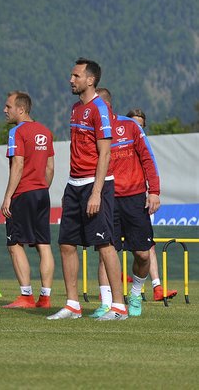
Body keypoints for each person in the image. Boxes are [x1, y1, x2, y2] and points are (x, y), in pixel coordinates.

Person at [48, 58, 126, 320]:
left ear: (90, 80)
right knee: (66, 244)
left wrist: (95, 192)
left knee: (104, 245)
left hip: (96, 186)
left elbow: (105, 154)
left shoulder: (99, 109)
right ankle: (72, 305)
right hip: (74, 184)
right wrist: (73, 185)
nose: (71, 80)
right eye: (71, 75)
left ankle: (118, 307)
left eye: (76, 76)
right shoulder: (73, 108)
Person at [93, 89, 160, 317]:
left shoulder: (130, 127)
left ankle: (135, 292)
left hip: (134, 199)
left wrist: (155, 192)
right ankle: (106, 303)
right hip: (107, 199)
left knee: (142, 254)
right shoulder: (92, 132)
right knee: (106, 252)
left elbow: (148, 160)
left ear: (107, 106)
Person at [0, 91, 55, 309]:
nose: (5, 110)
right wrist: (41, 188)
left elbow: (18, 165)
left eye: (8, 106)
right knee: (44, 245)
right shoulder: (46, 131)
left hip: (23, 193)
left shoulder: (17, 131)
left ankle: (26, 296)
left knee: (14, 244)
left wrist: (7, 197)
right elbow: (50, 168)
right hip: (42, 192)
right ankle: (46, 298)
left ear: (21, 109)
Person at [124, 108, 176, 302]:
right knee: (109, 246)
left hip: (139, 200)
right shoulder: (118, 141)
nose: (138, 128)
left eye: (141, 125)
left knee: (147, 246)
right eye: (134, 124)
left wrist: (153, 193)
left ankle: (156, 286)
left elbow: (150, 167)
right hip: (117, 199)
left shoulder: (144, 145)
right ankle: (109, 294)